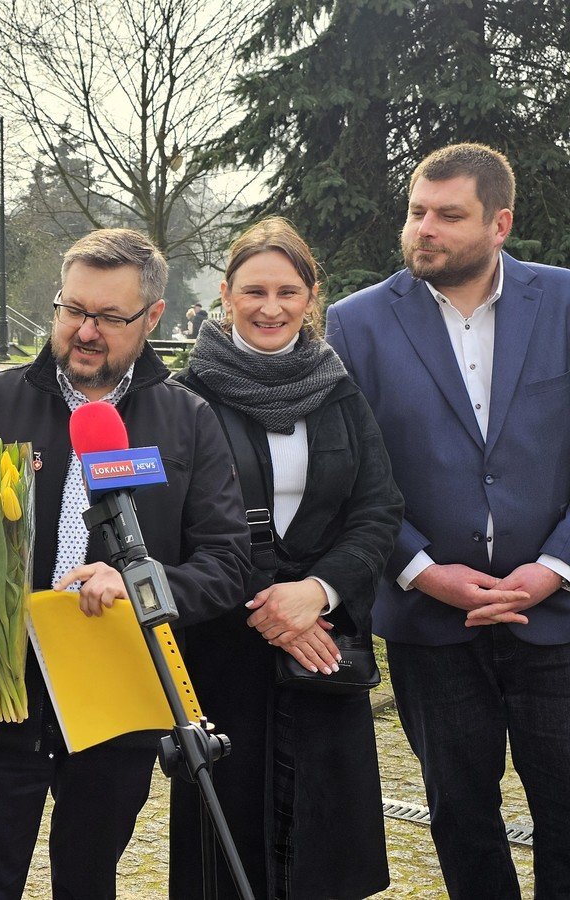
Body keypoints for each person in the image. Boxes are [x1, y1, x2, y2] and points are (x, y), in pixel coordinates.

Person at [0, 228, 250, 899]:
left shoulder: (189, 422)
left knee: (88, 880)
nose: (85, 331)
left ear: (152, 318)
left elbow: (228, 563)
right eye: (72, 310)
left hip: (117, 696)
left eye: (109, 317)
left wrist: (141, 585)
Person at [327, 143, 570, 899]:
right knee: (460, 814)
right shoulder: (356, 323)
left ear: (499, 223)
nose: (423, 229)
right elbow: (352, 473)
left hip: (558, 617)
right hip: (431, 626)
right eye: (416, 212)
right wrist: (422, 570)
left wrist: (555, 567)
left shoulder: (565, 303)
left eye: (447, 215)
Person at [173, 217, 402, 898]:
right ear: (224, 295)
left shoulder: (339, 393)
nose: (270, 307)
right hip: (224, 652)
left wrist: (320, 593)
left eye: (287, 291)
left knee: (326, 851)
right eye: (253, 290)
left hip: (324, 652)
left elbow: (378, 506)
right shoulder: (186, 399)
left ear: (311, 298)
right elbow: (179, 525)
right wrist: (276, 603)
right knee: (225, 851)